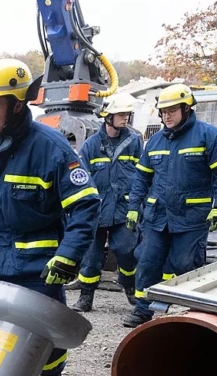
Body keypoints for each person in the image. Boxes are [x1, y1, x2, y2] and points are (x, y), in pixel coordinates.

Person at [0, 59, 99, 376]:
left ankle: (52, 373)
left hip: (38, 268)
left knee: (44, 339)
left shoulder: (51, 147)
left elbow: (85, 204)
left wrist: (68, 256)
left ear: (17, 103)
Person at [124, 84, 217, 328]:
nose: (167, 116)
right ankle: (143, 310)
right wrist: (133, 206)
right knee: (147, 261)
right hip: (157, 216)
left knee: (186, 265)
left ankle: (190, 313)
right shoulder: (154, 142)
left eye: (172, 110)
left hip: (191, 217)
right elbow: (141, 177)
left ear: (186, 108)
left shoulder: (210, 136)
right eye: (163, 112)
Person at [71, 93, 143, 312]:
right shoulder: (91, 145)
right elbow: (80, 179)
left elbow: (143, 174)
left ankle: (130, 287)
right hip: (97, 210)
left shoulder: (134, 142)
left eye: (127, 114)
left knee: (126, 250)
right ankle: (86, 296)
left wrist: (139, 204)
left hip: (125, 209)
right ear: (107, 116)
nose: (125, 118)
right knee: (91, 257)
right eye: (121, 114)